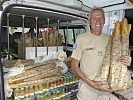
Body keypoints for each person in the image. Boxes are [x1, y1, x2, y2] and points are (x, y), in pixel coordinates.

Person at [71, 7, 132, 100]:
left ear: (104, 21)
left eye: (101, 18)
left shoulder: (111, 39)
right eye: (95, 18)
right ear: (89, 21)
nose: (98, 21)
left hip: (105, 87)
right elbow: (74, 65)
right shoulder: (81, 39)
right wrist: (93, 84)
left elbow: (119, 58)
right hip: (87, 88)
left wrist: (127, 60)